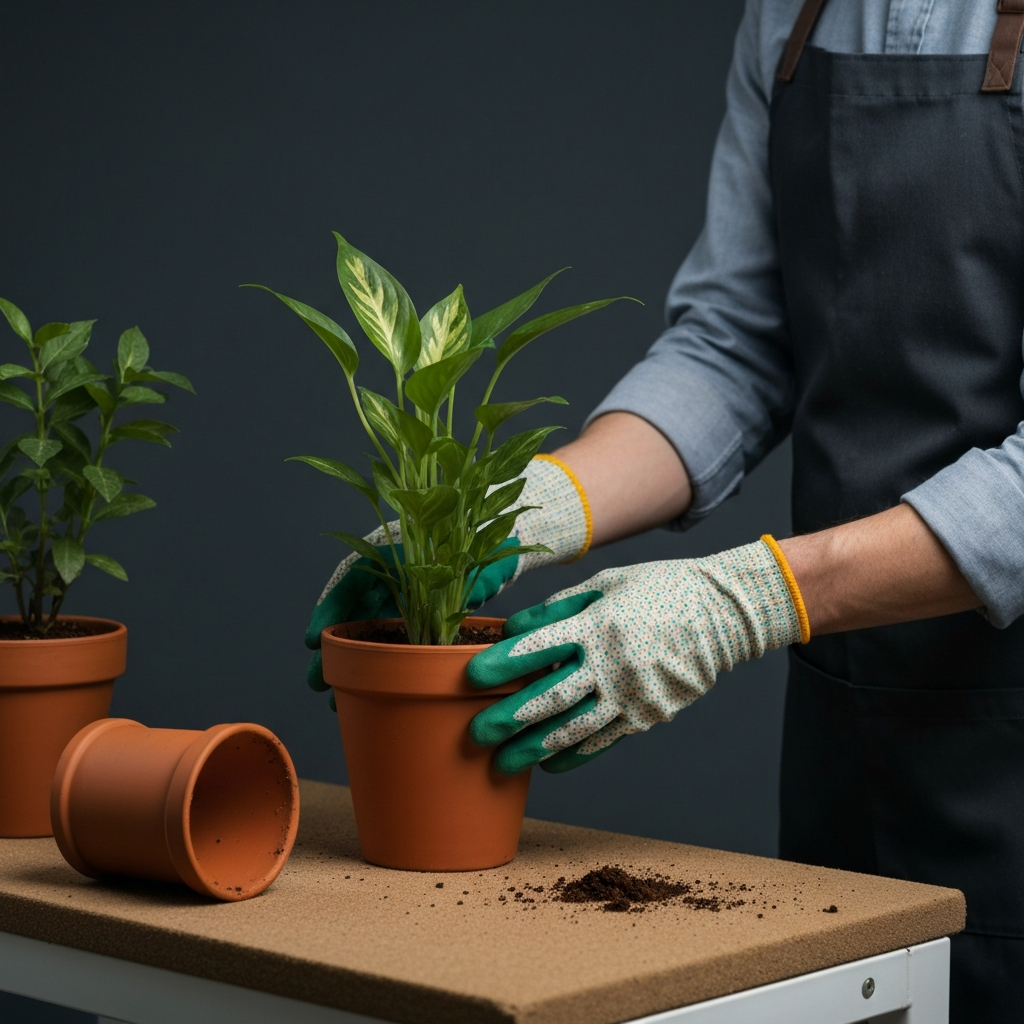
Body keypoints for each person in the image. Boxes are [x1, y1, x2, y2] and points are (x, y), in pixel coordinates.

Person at [306, 2, 1024, 1018]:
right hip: (853, 719)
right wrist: (526, 506)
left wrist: (748, 597)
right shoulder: (790, 14)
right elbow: (738, 340)